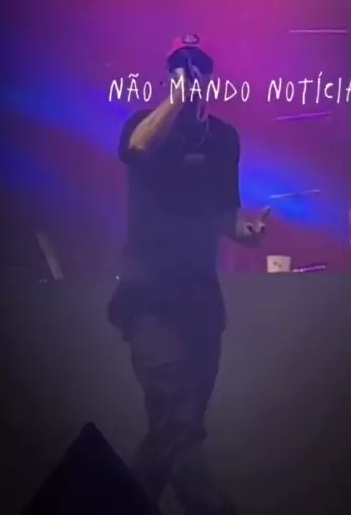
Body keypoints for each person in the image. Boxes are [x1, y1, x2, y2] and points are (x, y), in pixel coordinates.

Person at [108, 34, 268, 514]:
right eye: (181, 64)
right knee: (180, 427)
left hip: (201, 302)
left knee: (170, 431)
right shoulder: (146, 125)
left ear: (213, 76)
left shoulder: (224, 139)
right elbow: (136, 147)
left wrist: (246, 232)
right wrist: (176, 100)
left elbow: (225, 214)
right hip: (149, 301)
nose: (192, 72)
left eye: (199, 65)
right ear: (167, 75)